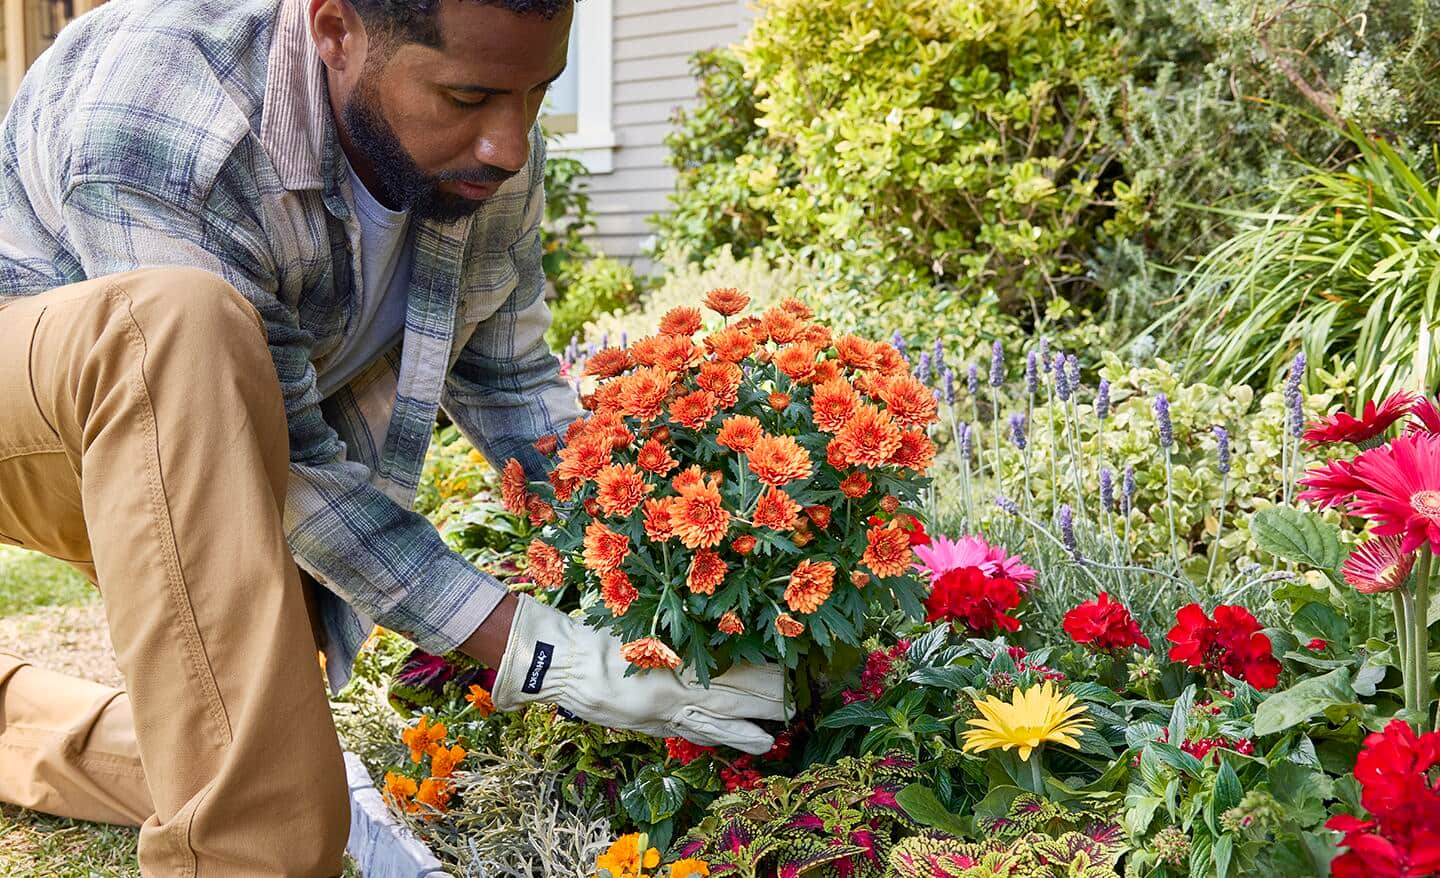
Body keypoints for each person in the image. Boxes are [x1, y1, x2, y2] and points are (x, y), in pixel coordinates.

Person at [0, 1, 790, 874]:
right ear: (336, 31)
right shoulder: (170, 98)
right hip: (50, 418)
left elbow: (510, 383)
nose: (512, 145)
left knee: (280, 749)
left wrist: (654, 563)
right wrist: (543, 657)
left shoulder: (483, 158)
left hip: (210, 444)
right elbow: (274, 456)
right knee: (177, 323)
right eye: (468, 96)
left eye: (538, 94)